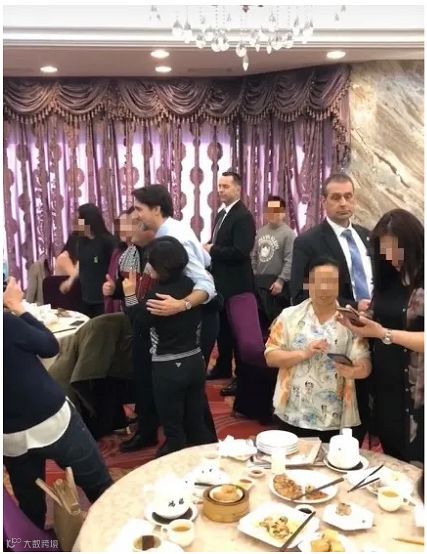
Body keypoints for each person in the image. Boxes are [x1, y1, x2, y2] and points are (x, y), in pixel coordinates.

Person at [3, 277, 112, 529]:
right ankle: (112, 534)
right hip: (50, 418)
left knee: (30, 504)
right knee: (98, 483)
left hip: (9, 435)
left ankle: (33, 542)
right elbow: (50, 346)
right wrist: (18, 308)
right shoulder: (6, 324)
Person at [289, 172, 372, 444]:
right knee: (348, 405)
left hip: (378, 327)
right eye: (336, 197)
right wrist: (353, 306)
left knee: (377, 403)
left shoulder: (370, 237)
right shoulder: (307, 242)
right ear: (323, 201)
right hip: (338, 333)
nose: (343, 203)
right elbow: (299, 292)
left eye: (348, 196)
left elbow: (390, 276)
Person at [132, 184, 218, 442]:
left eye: (139, 209)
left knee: (192, 395)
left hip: (195, 315)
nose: (136, 215)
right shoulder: (171, 230)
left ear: (156, 209)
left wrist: (181, 305)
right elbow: (206, 260)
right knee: (190, 394)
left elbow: (207, 284)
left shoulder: (174, 236)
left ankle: (197, 446)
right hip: (186, 316)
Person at [338, 209, 424, 463]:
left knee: (416, 462)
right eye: (385, 251)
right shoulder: (390, 279)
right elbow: (382, 317)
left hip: (416, 392)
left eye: (396, 250)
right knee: (392, 459)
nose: (391, 257)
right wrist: (361, 321)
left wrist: (384, 333)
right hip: (386, 385)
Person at [265, 257, 371, 443]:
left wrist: (354, 371)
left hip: (336, 418)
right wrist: (303, 354)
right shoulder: (290, 317)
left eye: (331, 282)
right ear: (308, 283)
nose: (324, 288)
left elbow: (364, 362)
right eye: (318, 281)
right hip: (293, 412)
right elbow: (271, 357)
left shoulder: (350, 321)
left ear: (339, 285)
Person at [123, 237, 211, 456]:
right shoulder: (192, 286)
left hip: (168, 367)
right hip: (195, 362)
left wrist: (130, 295)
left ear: (160, 267)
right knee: (196, 424)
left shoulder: (157, 296)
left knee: (173, 432)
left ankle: (176, 470)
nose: (148, 266)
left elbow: (138, 324)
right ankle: (207, 465)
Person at [103, 208, 158, 452]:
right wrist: (114, 290)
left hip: (153, 323)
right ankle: (146, 423)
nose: (127, 231)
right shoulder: (130, 253)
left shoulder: (158, 253)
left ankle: (148, 430)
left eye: (134, 224)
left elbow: (143, 295)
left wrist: (128, 295)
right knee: (141, 376)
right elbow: (126, 287)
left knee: (150, 377)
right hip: (136, 319)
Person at [204, 170, 256, 398]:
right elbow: (218, 242)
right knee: (223, 329)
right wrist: (208, 246)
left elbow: (241, 251)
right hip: (221, 283)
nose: (221, 190)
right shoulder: (221, 214)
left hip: (237, 286)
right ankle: (222, 366)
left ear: (238, 188)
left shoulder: (243, 216)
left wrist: (212, 249)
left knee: (238, 333)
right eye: (219, 186)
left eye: (225, 186)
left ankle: (241, 376)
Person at [60, 203, 116, 318]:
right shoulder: (81, 241)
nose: (75, 223)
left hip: (103, 299)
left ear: (88, 221)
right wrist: (70, 281)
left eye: (78, 219)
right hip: (86, 297)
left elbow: (115, 266)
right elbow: (80, 263)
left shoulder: (108, 241)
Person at [252, 195, 295, 335]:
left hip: (277, 286)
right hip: (260, 283)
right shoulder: (260, 233)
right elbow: (253, 256)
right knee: (260, 324)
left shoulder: (289, 234)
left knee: (276, 325)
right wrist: (253, 276)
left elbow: (290, 259)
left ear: (283, 213)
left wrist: (280, 281)